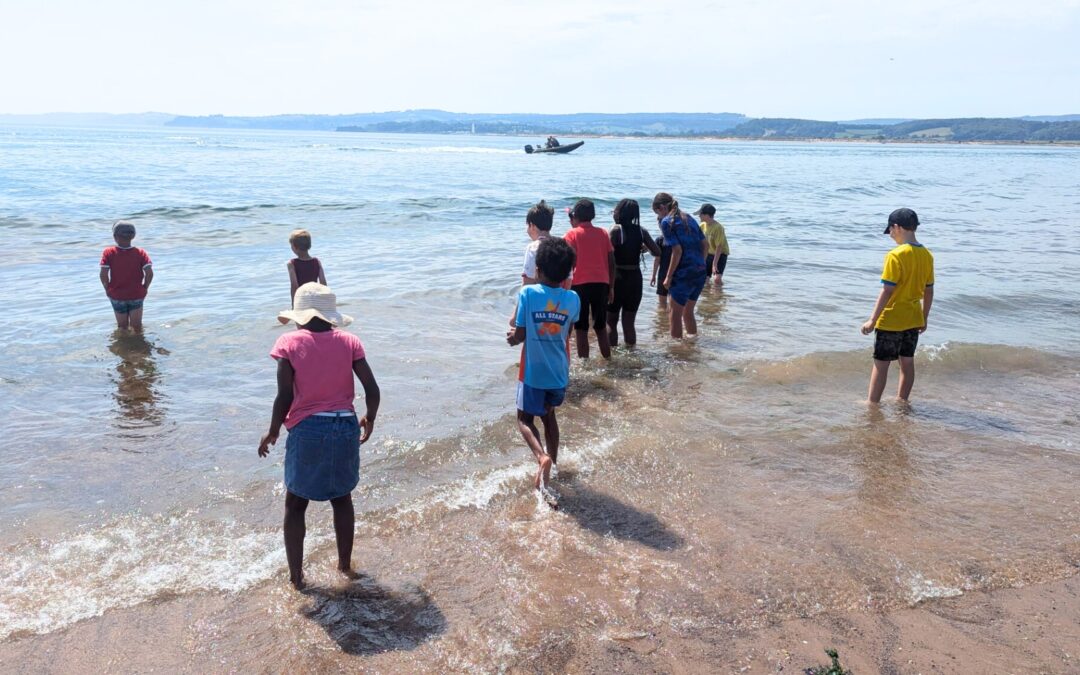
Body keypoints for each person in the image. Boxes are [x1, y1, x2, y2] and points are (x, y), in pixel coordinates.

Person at [258, 283, 381, 589]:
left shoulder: (288, 342)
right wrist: (370, 418)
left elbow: (284, 395)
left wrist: (273, 430)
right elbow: (373, 389)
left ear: (300, 316)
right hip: (344, 425)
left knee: (296, 504)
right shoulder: (349, 341)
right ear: (331, 317)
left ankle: (296, 578)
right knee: (342, 498)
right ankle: (344, 566)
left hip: (309, 427)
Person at [507, 238, 580, 507]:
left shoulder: (528, 294)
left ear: (537, 270)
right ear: (567, 273)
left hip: (533, 374)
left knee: (524, 419)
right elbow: (567, 332)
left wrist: (513, 337)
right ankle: (554, 463)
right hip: (559, 373)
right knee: (549, 416)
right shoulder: (573, 298)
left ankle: (541, 458)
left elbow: (521, 333)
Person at [860, 208, 935, 404]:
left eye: (890, 231)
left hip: (891, 319)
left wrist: (872, 320)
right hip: (913, 318)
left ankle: (872, 403)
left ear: (897, 227)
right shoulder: (927, 255)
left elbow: (887, 290)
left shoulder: (895, 255)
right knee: (907, 361)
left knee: (881, 364)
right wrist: (924, 317)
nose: (890, 235)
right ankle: (902, 401)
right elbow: (929, 291)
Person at [563, 198, 615, 359]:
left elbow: (568, 264)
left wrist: (564, 287)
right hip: (601, 284)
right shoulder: (603, 233)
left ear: (576, 216)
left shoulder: (571, 234)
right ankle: (608, 359)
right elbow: (611, 261)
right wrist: (611, 287)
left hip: (579, 285)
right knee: (600, 326)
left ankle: (585, 363)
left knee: (581, 328)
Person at [606, 199, 660, 347]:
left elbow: (607, 254)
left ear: (619, 212)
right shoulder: (642, 231)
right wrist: (642, 248)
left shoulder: (616, 230)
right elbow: (657, 251)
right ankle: (631, 353)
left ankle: (612, 358)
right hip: (635, 279)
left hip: (617, 278)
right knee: (629, 323)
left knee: (611, 320)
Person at [652, 193, 707, 338]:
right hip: (700, 271)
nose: (659, 217)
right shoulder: (689, 218)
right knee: (688, 312)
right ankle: (692, 342)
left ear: (662, 207)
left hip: (683, 273)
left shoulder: (667, 222)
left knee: (674, 314)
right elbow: (705, 244)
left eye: (657, 212)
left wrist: (668, 277)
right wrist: (700, 263)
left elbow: (677, 251)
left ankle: (677, 353)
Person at [99, 220, 153, 331]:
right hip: (136, 294)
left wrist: (107, 289)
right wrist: (145, 288)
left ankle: (123, 346)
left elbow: (103, 274)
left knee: (122, 326)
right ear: (133, 236)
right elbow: (149, 273)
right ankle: (138, 345)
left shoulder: (108, 252)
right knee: (137, 327)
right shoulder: (140, 252)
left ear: (115, 236)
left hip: (117, 295)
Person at [287, 229, 327, 304]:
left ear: (295, 247)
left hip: (302, 300)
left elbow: (294, 286)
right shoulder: (317, 261)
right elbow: (323, 283)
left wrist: (294, 305)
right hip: (315, 298)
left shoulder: (292, 263)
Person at [696, 203, 730, 285]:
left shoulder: (718, 227)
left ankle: (719, 294)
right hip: (708, 254)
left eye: (700, 214)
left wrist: (714, 265)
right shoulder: (702, 226)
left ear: (707, 215)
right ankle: (709, 297)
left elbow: (719, 247)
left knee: (717, 279)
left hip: (720, 254)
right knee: (705, 279)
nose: (699, 216)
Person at [650, 233, 673, 307]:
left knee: (662, 303)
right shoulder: (678, 239)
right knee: (673, 303)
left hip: (664, 274)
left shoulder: (660, 240)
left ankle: (663, 317)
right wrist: (653, 276)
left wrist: (653, 276)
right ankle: (666, 318)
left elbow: (657, 260)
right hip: (675, 273)